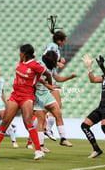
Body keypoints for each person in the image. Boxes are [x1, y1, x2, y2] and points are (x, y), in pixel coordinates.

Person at [0, 44, 52, 161]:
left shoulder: (35, 65)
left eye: (20, 52)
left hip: (27, 96)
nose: (19, 54)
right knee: (5, 121)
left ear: (24, 53)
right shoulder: (22, 62)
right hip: (15, 94)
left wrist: (49, 85)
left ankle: (38, 150)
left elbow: (47, 74)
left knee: (27, 122)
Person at [40, 15, 75, 146]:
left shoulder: (57, 49)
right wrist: (57, 62)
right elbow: (45, 57)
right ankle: (43, 130)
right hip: (43, 80)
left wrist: (59, 63)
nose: (65, 42)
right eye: (64, 40)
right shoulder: (52, 46)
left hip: (49, 79)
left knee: (57, 107)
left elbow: (56, 76)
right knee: (47, 110)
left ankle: (48, 130)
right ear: (59, 40)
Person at [33, 51, 76, 153]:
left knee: (58, 113)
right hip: (37, 94)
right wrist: (48, 85)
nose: (55, 64)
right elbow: (36, 77)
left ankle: (63, 139)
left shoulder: (51, 67)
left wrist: (69, 77)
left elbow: (57, 78)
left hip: (46, 93)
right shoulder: (39, 64)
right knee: (41, 119)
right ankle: (41, 145)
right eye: (54, 61)